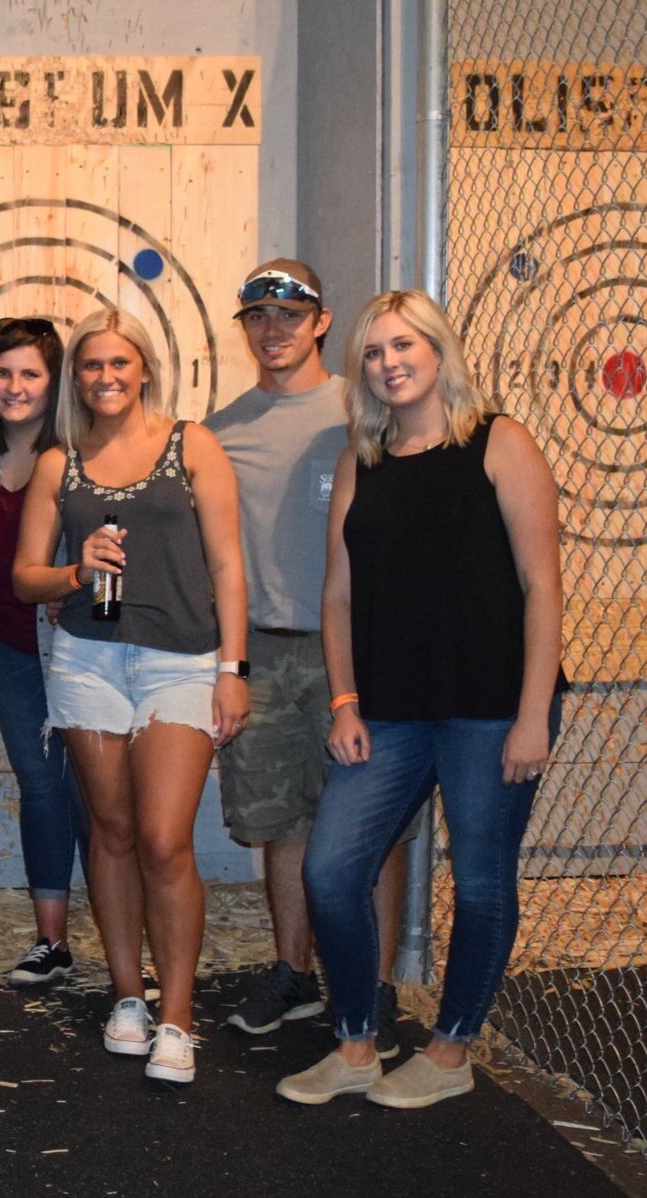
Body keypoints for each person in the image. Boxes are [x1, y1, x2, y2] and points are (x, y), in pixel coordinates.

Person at [277, 290, 563, 1109]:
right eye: (372, 352)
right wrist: (343, 702)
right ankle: (356, 1043)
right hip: (390, 711)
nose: (388, 363)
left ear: (438, 351)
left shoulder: (499, 442)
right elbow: (336, 597)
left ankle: (449, 1051)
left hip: (490, 709)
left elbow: (541, 585)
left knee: (479, 882)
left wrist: (532, 712)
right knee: (331, 870)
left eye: (403, 345)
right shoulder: (356, 461)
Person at [12, 308, 249, 1085]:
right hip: (85, 659)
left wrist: (232, 669)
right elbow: (24, 580)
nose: (105, 378)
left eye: (119, 364)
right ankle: (126, 999)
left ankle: (177, 1016)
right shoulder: (60, 463)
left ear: (144, 369)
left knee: (161, 838)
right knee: (108, 832)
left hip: (181, 662)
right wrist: (76, 570)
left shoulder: (192, 444)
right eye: (90, 366)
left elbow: (227, 567)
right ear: (75, 377)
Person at [206, 261, 408, 1055]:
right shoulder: (218, 431)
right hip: (261, 650)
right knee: (282, 823)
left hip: (355, 653)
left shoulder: (364, 413)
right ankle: (293, 972)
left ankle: (379, 984)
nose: (273, 328)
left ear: (321, 321)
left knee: (372, 824)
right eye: (256, 314)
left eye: (289, 313)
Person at [0, 318, 92, 985]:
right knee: (41, 786)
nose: (14, 387)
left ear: (53, 385)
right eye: (2, 372)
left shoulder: (78, 454)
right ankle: (52, 942)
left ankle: (123, 933)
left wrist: (71, 591)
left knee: (98, 794)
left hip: (75, 646)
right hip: (4, 647)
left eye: (30, 374)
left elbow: (111, 551)